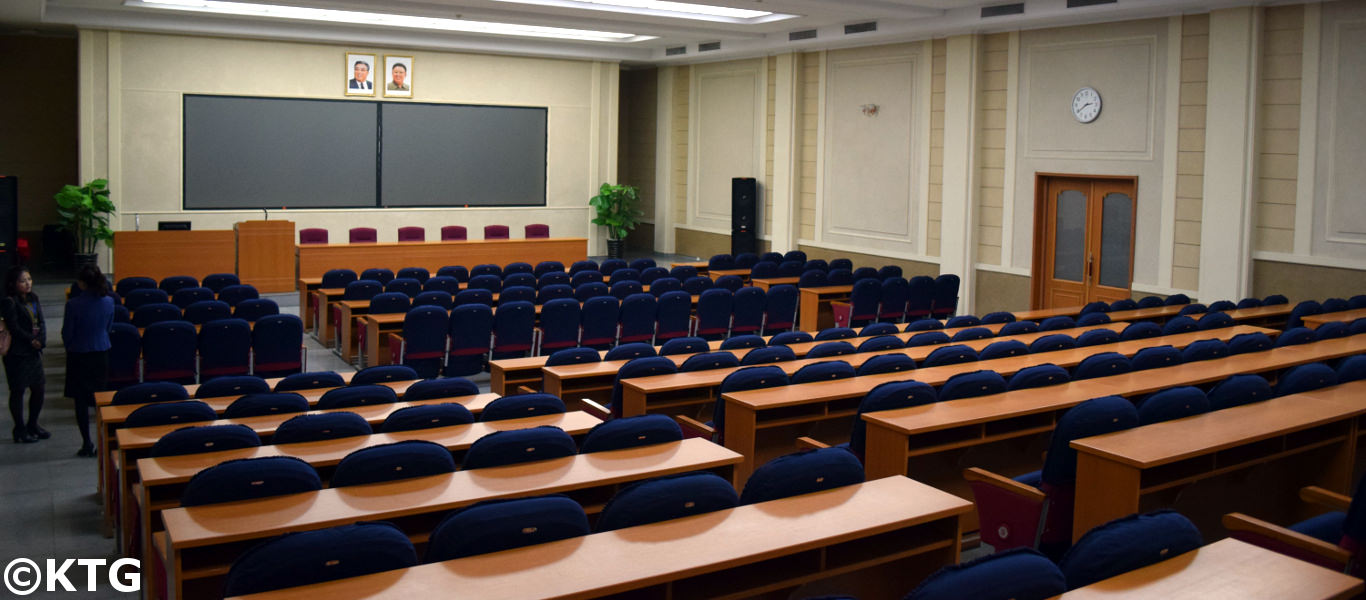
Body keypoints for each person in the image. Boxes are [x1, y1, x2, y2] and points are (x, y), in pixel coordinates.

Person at [63, 263, 114, 457]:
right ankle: (103, 440)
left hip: (79, 353)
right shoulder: (108, 301)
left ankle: (87, 442)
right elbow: (108, 327)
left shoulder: (73, 304)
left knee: (81, 401)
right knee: (100, 399)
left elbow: (67, 333)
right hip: (101, 352)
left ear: (82, 283)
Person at [1, 266, 46, 444]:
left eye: (29, 279)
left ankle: (33, 424)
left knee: (39, 388)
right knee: (18, 390)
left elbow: (40, 320)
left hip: (34, 351)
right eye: (23, 281)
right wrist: (31, 340)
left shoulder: (33, 298)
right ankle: (19, 429)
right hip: (17, 353)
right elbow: (14, 327)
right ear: (13, 284)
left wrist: (41, 338)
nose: (28, 283)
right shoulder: (9, 302)